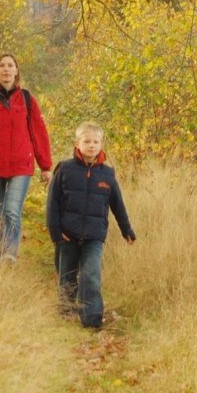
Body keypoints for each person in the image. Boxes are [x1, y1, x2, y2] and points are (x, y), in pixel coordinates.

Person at [46, 122, 137, 330]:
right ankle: (66, 313)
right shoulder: (65, 169)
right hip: (67, 234)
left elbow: (117, 205)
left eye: (96, 142)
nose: (91, 145)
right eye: (86, 141)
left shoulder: (107, 174)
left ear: (101, 144)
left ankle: (92, 320)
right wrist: (56, 232)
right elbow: (53, 203)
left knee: (91, 275)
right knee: (67, 276)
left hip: (94, 236)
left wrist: (127, 230)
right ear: (77, 144)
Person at [0, 53, 52, 261]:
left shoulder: (27, 99)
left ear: (16, 71)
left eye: (10, 66)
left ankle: (9, 255)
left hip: (21, 166)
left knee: (12, 210)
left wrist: (45, 165)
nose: (6, 69)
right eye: (2, 66)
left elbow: (39, 133)